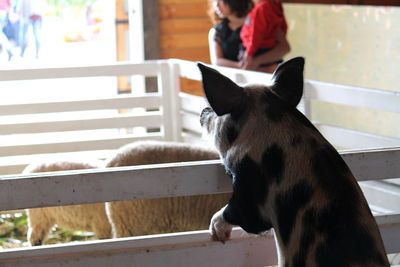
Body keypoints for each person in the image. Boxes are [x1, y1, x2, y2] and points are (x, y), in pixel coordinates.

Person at [208, 0, 290, 73]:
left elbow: (284, 48)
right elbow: (216, 61)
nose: (216, 5)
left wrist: (257, 61)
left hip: (270, 74)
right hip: (236, 80)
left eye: (220, 1)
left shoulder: (260, 17)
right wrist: (243, 66)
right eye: (214, 1)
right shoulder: (216, 31)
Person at [240, 0, 290, 73]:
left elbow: (256, 34)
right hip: (267, 48)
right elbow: (283, 27)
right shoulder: (274, 6)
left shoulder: (261, 8)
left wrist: (249, 53)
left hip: (258, 51)